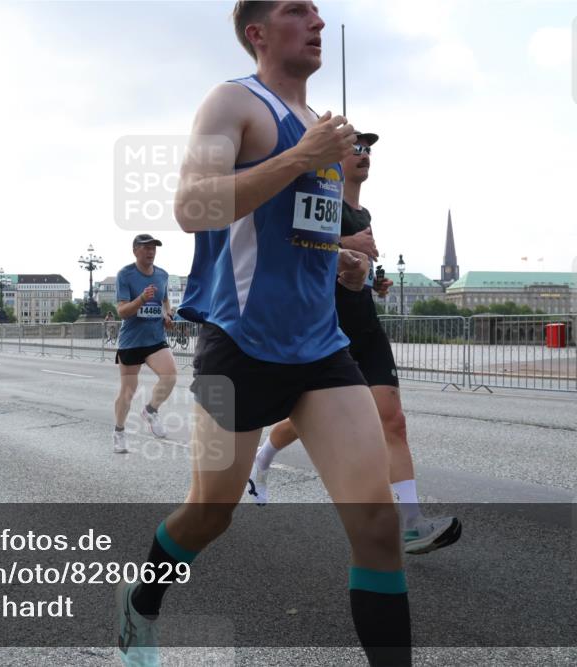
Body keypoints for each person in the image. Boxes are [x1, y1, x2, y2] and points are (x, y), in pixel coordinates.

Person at [116, 4, 410, 667]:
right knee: (210, 513)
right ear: (257, 33)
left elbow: (298, 230)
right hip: (237, 346)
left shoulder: (322, 128)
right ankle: (142, 601)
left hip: (321, 349)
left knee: (377, 521)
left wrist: (345, 260)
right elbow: (192, 206)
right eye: (296, 10)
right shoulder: (233, 103)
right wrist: (302, 156)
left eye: (318, 11)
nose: (317, 21)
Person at [248, 132, 462, 556]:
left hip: (365, 322)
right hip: (327, 326)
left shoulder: (363, 212)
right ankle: (262, 459)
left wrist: (374, 281)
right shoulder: (318, 197)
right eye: (356, 148)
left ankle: (413, 523)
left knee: (393, 421)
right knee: (310, 418)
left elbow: (355, 265)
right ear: (335, 157)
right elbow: (292, 249)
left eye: (369, 149)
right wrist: (347, 244)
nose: (365, 154)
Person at [112, 234, 176, 454]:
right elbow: (122, 311)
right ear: (135, 251)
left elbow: (164, 300)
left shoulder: (162, 275)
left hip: (155, 338)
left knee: (170, 376)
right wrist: (141, 299)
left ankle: (151, 410)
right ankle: (119, 431)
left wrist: (168, 315)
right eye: (146, 248)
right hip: (132, 341)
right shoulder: (125, 274)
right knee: (128, 391)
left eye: (153, 248)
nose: (151, 252)